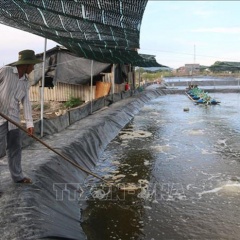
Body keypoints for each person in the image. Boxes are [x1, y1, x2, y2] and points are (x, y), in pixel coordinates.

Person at [0, 49, 42, 183]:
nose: (33, 67)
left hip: (14, 120)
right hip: (0, 119)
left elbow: (26, 103)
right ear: (26, 65)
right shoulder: (6, 71)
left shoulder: (25, 81)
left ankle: (18, 177)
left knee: (15, 148)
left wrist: (30, 123)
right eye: (33, 65)